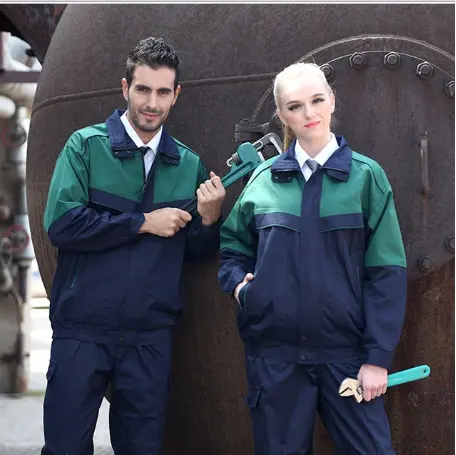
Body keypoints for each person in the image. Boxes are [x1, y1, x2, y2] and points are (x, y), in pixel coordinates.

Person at [42, 37, 225, 455]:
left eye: (163, 92)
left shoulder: (188, 164)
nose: (151, 103)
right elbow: (63, 225)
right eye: (143, 89)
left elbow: (192, 252)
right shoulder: (85, 147)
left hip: (149, 335)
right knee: (65, 447)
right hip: (82, 328)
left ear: (176, 95)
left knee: (142, 448)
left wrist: (211, 219)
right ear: (125, 88)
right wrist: (142, 222)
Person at [218, 62, 407, 454]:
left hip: (347, 361)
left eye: (317, 100)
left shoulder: (366, 178)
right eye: (295, 106)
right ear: (281, 114)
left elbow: (386, 273)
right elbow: (232, 250)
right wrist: (241, 288)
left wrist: (376, 359)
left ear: (332, 101)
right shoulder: (263, 181)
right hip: (276, 360)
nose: (309, 114)